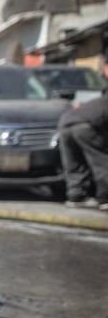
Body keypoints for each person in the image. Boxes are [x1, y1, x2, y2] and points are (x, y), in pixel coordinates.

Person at [57, 50, 108, 210]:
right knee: (101, 162)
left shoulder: (98, 99)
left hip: (65, 123)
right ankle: (105, 198)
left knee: (74, 164)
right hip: (85, 126)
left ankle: (76, 196)